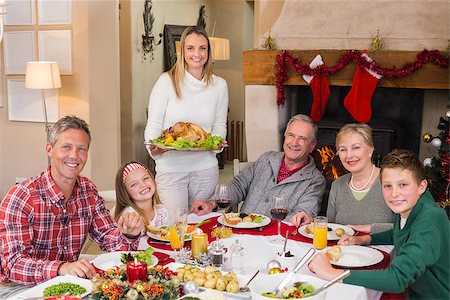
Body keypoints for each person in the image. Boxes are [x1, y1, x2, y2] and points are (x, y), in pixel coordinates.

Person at [0, 116, 145, 286]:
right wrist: (61, 268)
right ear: (49, 149)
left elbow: (110, 239)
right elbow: (13, 265)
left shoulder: (87, 191)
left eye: (81, 149)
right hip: (19, 288)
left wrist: (128, 233)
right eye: (66, 147)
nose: (74, 155)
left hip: (68, 283)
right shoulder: (22, 197)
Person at [309, 149, 450, 300]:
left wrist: (331, 273)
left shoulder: (430, 220)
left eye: (403, 185)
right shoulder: (408, 207)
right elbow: (398, 232)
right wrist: (363, 239)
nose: (394, 193)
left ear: (421, 186)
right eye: (387, 186)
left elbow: (397, 279)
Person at [144, 26, 228, 211]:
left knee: (202, 228)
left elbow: (219, 125)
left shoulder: (219, 86)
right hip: (171, 171)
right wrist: (154, 150)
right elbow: (154, 124)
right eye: (190, 48)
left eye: (202, 48)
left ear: (208, 51)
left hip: (206, 170)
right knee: (175, 228)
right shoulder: (166, 82)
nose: (197, 54)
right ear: (182, 51)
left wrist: (215, 146)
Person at [191, 114, 326, 226]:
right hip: (241, 229)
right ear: (285, 137)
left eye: (302, 138)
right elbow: (239, 185)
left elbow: (304, 212)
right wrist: (211, 202)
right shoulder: (267, 159)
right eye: (291, 135)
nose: (294, 142)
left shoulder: (315, 180)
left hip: (276, 240)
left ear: (312, 146)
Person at [327, 123, 393, 233]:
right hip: (344, 249)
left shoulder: (390, 181)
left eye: (356, 147)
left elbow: (406, 228)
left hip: (382, 249)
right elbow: (330, 229)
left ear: (370, 150)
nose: (349, 155)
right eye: (343, 149)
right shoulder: (337, 185)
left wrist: (369, 229)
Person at [114, 161, 169, 227]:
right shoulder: (129, 217)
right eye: (134, 184)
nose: (143, 185)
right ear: (125, 192)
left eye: (145, 178)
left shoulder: (161, 210)